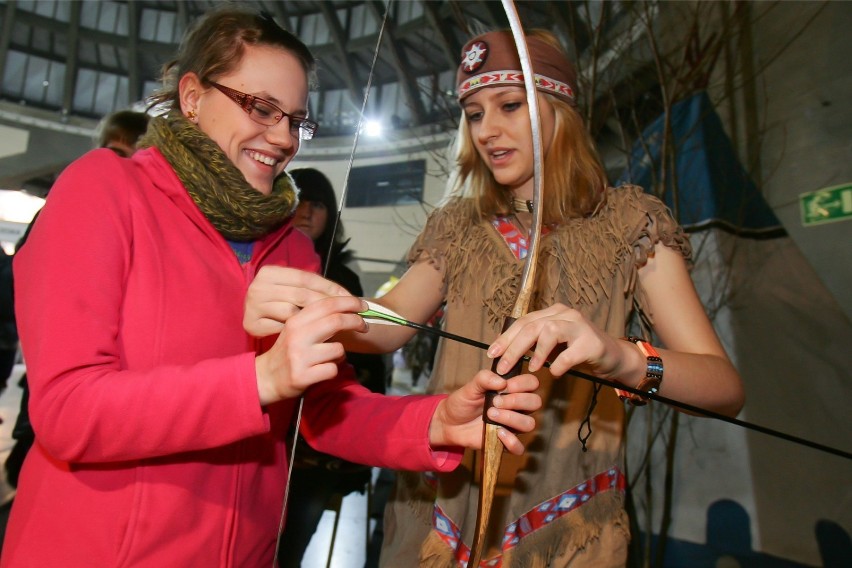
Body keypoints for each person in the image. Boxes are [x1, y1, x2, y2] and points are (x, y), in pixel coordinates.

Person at [1, 9, 542, 567]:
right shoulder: (105, 191)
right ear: (192, 95)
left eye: (296, 121)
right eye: (261, 108)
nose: (283, 137)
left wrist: (435, 421)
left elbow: (328, 408)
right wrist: (261, 378)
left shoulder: (290, 246)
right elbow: (68, 411)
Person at [242, 29, 745, 566]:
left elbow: (723, 388)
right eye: (475, 114)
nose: (489, 131)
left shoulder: (630, 223)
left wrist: (619, 356)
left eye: (509, 105)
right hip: (439, 517)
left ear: (559, 107)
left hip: (569, 532)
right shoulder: (459, 224)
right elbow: (389, 327)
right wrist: (314, 302)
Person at [3, 108, 151, 490]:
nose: (113, 160)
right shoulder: (67, 208)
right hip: (50, 411)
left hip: (115, 418)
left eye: (127, 152)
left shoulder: (150, 224)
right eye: (109, 149)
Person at [278, 167, 387, 566]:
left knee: (290, 546)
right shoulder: (260, 266)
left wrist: (360, 455)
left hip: (318, 446)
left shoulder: (342, 279)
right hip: (262, 439)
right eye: (298, 200)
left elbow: (366, 368)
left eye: (318, 204)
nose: (306, 211)